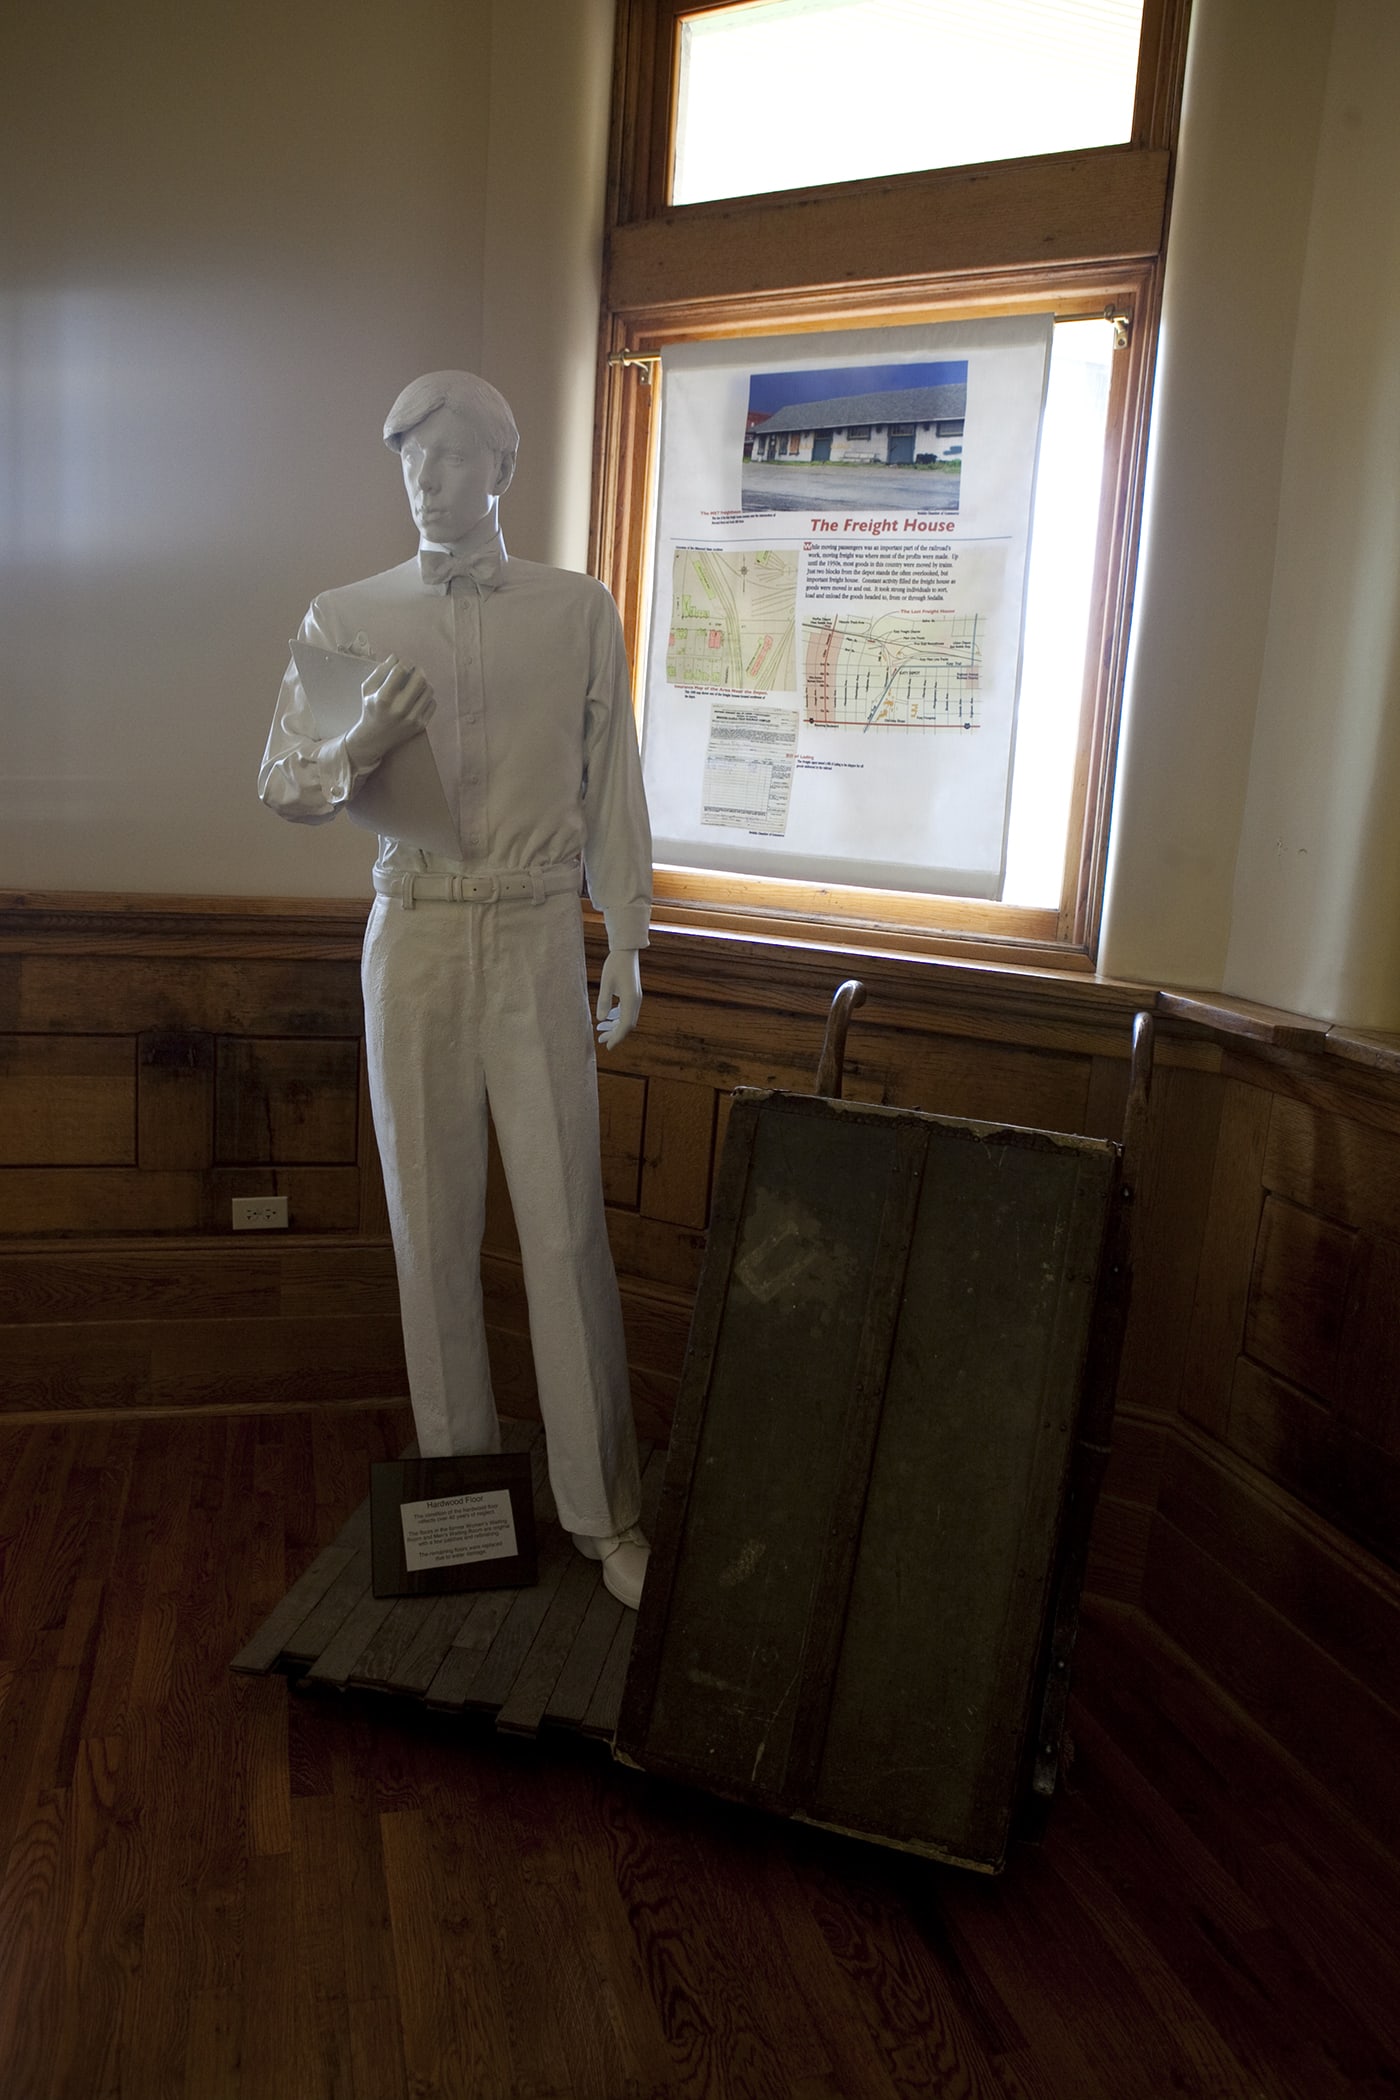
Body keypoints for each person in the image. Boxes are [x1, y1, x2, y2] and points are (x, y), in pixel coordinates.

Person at [259, 371, 652, 1608]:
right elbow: (286, 782)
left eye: (448, 461)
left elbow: (612, 783)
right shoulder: (345, 615)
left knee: (560, 1221)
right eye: (409, 464)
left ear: (500, 469)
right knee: (428, 1226)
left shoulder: (576, 610)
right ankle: (463, 1498)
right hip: (415, 929)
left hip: (536, 932)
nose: (427, 485)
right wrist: (365, 739)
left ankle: (602, 1512)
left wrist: (627, 935)